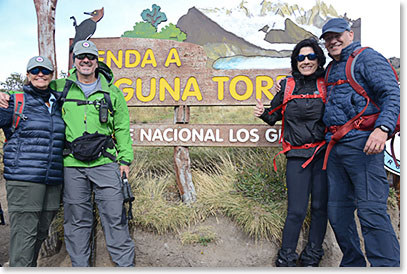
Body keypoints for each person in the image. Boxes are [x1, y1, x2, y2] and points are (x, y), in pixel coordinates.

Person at [45, 40, 135, 267]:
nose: (85, 60)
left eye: (90, 57)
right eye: (80, 56)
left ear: (97, 62)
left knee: (115, 216)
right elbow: (35, 87)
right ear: (74, 61)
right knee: (77, 221)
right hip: (72, 164)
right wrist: (5, 94)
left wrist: (125, 160)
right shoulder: (60, 86)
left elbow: (122, 127)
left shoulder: (112, 92)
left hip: (105, 162)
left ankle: (125, 266)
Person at [320, 18, 400, 267]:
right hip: (335, 149)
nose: (333, 41)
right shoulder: (331, 68)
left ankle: (387, 266)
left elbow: (393, 93)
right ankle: (353, 265)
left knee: (371, 212)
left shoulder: (367, 58)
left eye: (337, 35)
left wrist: (382, 129)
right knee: (338, 214)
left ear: (350, 34)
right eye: (328, 37)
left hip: (364, 145)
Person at [254, 38, 328, 267]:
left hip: (324, 155)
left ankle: (312, 257)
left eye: (311, 56)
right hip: (296, 156)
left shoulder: (328, 82)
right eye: (301, 57)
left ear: (318, 59)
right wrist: (262, 113)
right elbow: (273, 116)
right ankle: (286, 258)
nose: (306, 61)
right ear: (295, 61)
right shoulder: (287, 85)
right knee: (296, 210)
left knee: (319, 207)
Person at [0, 56, 64, 266]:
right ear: (27, 75)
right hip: (24, 180)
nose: (40, 75)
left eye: (44, 71)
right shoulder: (13, 102)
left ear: (52, 76)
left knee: (40, 233)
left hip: (52, 181)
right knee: (23, 238)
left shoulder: (58, 102)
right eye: (34, 71)